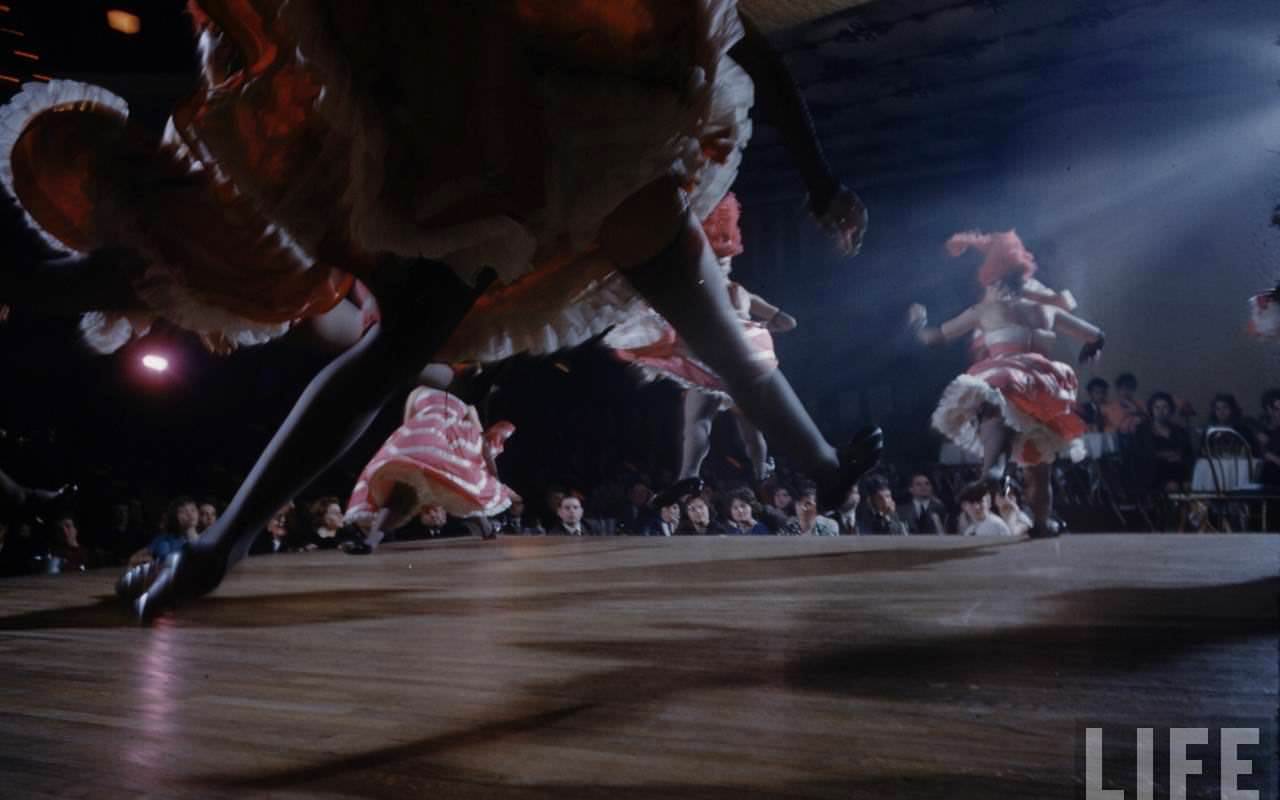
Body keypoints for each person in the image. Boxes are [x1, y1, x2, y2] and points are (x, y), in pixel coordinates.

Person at [61, 1, 879, 619]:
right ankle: (216, 545)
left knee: (719, 339)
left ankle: (824, 470)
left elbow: (749, 47)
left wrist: (821, 181)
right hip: (540, 142)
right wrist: (819, 182)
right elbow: (754, 54)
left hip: (573, 137)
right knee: (400, 349)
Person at [605, 193, 812, 495]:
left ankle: (690, 474)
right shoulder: (742, 292)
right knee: (748, 425)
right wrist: (766, 325)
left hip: (713, 357)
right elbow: (788, 322)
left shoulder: (704, 294)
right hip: (740, 358)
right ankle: (761, 472)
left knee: (699, 421)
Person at [910, 229, 1105, 537]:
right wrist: (1089, 351)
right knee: (1039, 467)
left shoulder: (984, 310)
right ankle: (1041, 523)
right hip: (1043, 385)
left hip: (1004, 373)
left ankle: (994, 470)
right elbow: (1095, 335)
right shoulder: (1048, 308)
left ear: (992, 277)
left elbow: (936, 338)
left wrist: (917, 322)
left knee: (994, 405)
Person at [343, 385, 516, 551]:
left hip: (449, 449)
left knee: (462, 491)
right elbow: (409, 423)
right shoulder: (418, 392)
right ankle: (370, 542)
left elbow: (479, 440)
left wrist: (492, 474)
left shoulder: (466, 406)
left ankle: (488, 531)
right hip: (424, 444)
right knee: (402, 493)